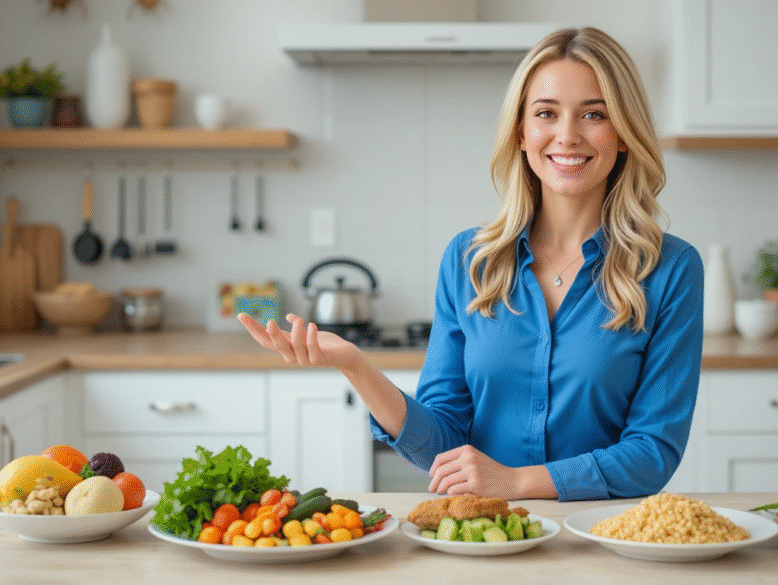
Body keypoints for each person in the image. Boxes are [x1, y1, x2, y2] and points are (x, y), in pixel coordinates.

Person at [238, 27, 703, 502]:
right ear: (521, 132)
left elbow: (654, 453)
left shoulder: (671, 269)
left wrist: (519, 482)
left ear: (624, 133)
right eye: (546, 113)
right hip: (486, 537)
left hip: (602, 538)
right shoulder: (469, 262)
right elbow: (441, 442)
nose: (567, 135)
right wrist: (356, 366)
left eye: (594, 114)